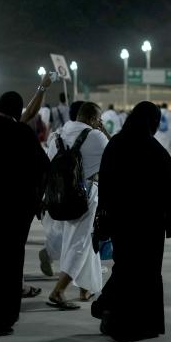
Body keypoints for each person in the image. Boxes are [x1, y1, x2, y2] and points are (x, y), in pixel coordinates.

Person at [90, 101, 171, 341]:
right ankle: (143, 324)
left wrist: (103, 217)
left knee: (124, 270)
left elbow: (106, 186)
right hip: (149, 226)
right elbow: (168, 193)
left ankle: (114, 319)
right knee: (147, 274)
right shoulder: (155, 150)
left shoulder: (116, 144)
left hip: (121, 223)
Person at [0, 83, 52, 338]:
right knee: (10, 265)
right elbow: (44, 166)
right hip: (14, 210)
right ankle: (3, 320)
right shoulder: (21, 133)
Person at [42, 101, 109, 308]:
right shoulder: (96, 136)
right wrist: (103, 131)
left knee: (83, 242)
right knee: (79, 244)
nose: (99, 122)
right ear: (91, 119)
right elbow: (115, 154)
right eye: (98, 119)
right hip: (85, 196)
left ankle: (85, 288)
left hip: (59, 197)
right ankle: (58, 291)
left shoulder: (57, 136)